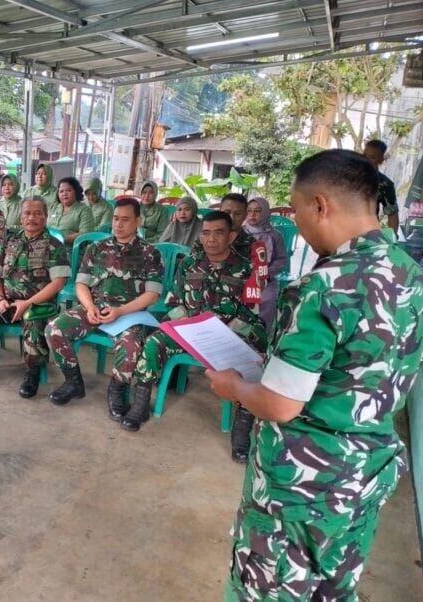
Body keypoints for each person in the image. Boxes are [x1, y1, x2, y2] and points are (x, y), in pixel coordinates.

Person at [205, 149, 423, 600]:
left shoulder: (324, 286)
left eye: (298, 210)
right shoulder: (408, 272)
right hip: (364, 475)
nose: (299, 225)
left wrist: (234, 387)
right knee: (333, 589)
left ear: (320, 204)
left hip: (302, 487)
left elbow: (281, 404)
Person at [131, 211, 267, 434]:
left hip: (229, 333)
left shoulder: (246, 268)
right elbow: (174, 301)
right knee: (154, 341)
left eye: (218, 233)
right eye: (206, 233)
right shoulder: (189, 264)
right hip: (192, 333)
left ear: (231, 237)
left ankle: (243, 425)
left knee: (252, 355)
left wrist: (224, 332)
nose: (211, 239)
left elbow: (250, 314)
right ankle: (141, 403)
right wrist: (185, 322)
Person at [45, 198, 162, 412]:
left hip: (129, 312)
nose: (118, 224)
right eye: (116, 219)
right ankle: (73, 382)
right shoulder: (97, 247)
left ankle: (116, 390)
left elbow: (152, 295)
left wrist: (120, 311)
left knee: (131, 346)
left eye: (125, 220)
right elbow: (81, 283)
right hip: (95, 307)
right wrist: (89, 307)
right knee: (54, 328)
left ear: (138, 221)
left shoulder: (150, 253)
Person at [0, 196, 70, 396]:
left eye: (38, 213)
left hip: (38, 303)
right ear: (21, 217)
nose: (32, 218)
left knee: (34, 326)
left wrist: (27, 303)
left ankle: (32, 373)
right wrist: (0, 300)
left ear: (45, 217)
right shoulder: (9, 241)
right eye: (27, 213)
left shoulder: (54, 245)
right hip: (7, 300)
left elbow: (58, 282)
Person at [243, 196, 289, 331]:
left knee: (267, 299)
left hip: (266, 279)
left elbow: (281, 260)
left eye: (257, 211)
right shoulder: (240, 233)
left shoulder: (275, 235)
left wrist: (266, 274)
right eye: (249, 211)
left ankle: (262, 335)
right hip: (242, 276)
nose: (252, 215)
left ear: (265, 213)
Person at [363, 139, 399, 234]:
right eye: (365, 155)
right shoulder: (347, 176)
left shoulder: (385, 184)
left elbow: (392, 214)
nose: (367, 159)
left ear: (381, 160)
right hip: (341, 233)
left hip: (368, 235)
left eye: (372, 157)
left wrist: (393, 239)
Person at [47, 176, 95, 246]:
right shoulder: (53, 207)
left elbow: (85, 234)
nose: (64, 194)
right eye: (61, 191)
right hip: (47, 248)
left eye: (68, 190)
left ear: (76, 191)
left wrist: (60, 239)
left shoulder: (84, 210)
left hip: (70, 251)